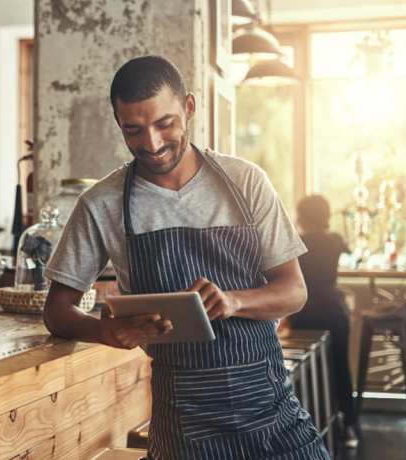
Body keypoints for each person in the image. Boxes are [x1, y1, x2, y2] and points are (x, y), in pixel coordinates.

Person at [42, 55, 328, 459]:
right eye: (134, 130)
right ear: (118, 123)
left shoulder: (245, 183)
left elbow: (294, 291)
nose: (152, 144)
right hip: (184, 425)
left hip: (271, 411)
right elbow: (57, 311)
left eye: (165, 124)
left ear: (189, 108)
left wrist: (234, 301)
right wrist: (104, 331)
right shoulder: (102, 204)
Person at [291, 194, 359, 448]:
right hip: (333, 310)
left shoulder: (297, 242)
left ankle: (308, 424)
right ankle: (350, 426)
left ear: (302, 217)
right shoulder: (335, 240)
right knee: (341, 367)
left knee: (309, 368)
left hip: (305, 311)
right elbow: (351, 250)